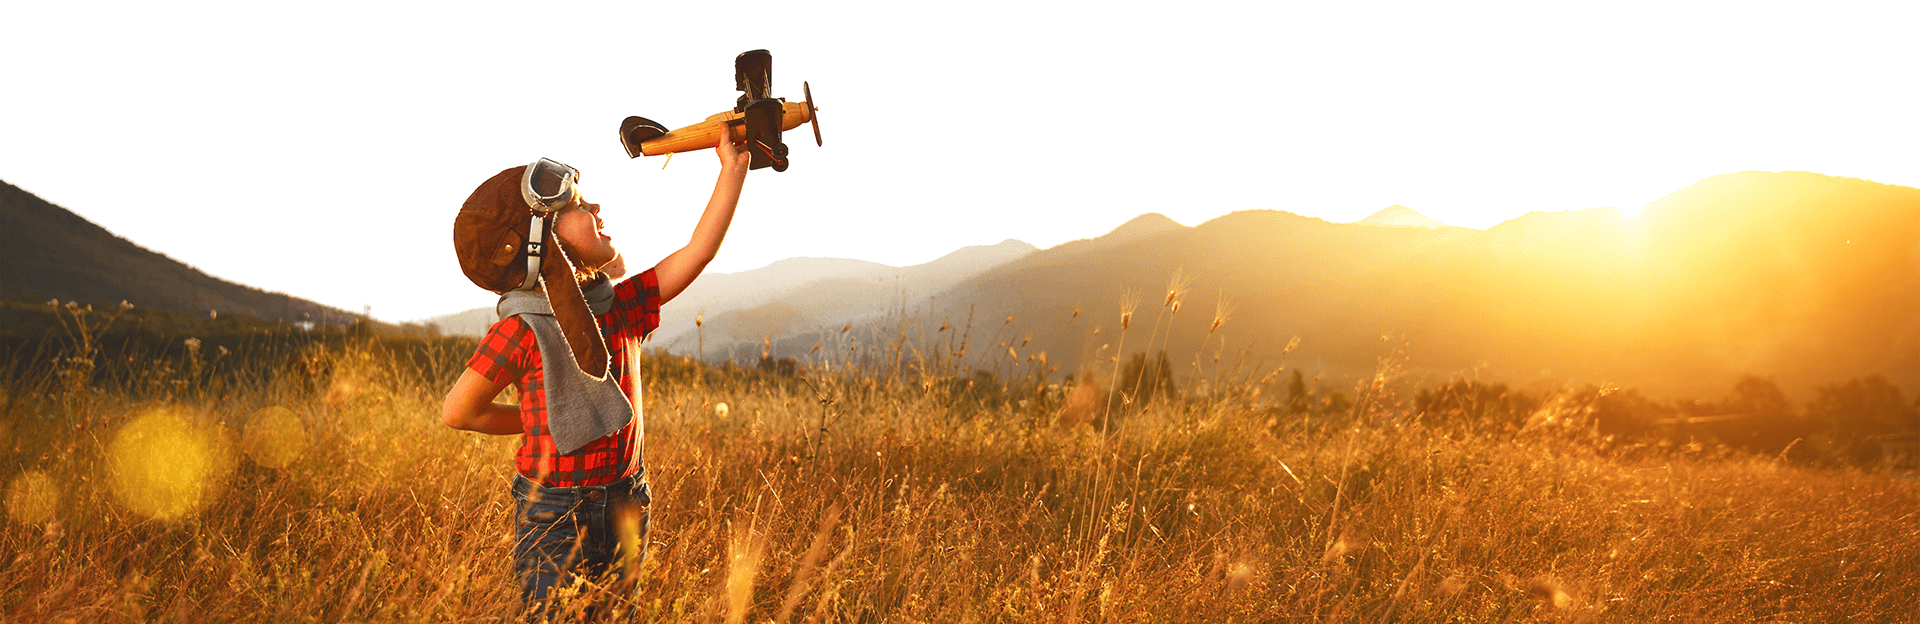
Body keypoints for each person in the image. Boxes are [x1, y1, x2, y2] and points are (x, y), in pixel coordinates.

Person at [441, 130, 749, 620]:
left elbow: (697, 252)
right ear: (540, 242)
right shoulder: (523, 330)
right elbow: (458, 411)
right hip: (555, 512)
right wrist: (530, 420)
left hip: (628, 498)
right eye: (579, 207)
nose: (597, 208)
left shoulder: (620, 306)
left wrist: (732, 171)